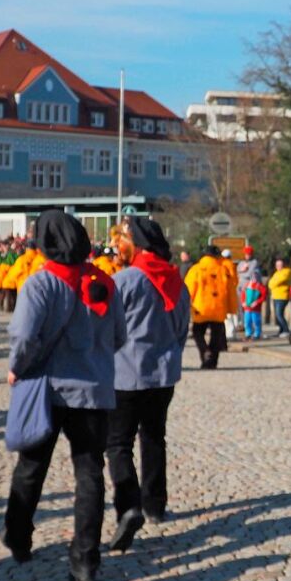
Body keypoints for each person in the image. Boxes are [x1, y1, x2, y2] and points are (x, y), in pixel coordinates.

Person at [3, 210, 125, 581]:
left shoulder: (39, 284)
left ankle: (19, 537)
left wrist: (17, 367)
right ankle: (86, 559)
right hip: (94, 392)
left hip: (49, 390)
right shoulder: (104, 283)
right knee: (89, 473)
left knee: (31, 467)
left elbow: (24, 337)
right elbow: (119, 336)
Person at [107, 218, 190, 549]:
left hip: (126, 374)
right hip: (163, 374)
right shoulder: (176, 281)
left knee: (118, 443)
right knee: (155, 438)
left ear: (138, 245)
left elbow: (108, 328)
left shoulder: (124, 280)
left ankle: (130, 507)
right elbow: (182, 328)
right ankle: (155, 505)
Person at [184, 245, 235, 369]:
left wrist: (185, 305)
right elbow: (232, 288)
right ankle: (213, 362)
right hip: (219, 307)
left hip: (201, 307)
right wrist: (231, 308)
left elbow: (188, 289)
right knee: (216, 335)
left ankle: (205, 351)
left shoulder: (196, 269)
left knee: (197, 332)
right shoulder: (224, 269)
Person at [267, 257, 291, 337]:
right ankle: (281, 330)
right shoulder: (276, 273)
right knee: (277, 315)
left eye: (280, 265)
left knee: (279, 314)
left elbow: (276, 282)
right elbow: (270, 284)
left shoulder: (287, 271)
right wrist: (273, 283)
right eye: (277, 265)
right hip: (275, 296)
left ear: (283, 265)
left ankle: (286, 330)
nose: (278, 266)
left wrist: (274, 283)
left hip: (282, 296)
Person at [220, 249, 241, 341]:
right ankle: (232, 333)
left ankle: (230, 334)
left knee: (227, 315)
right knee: (233, 314)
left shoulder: (223, 265)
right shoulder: (232, 265)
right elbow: (235, 280)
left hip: (225, 292)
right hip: (232, 292)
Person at [241, 270, 266, 340]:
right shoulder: (247, 285)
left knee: (256, 321)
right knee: (247, 321)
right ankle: (248, 334)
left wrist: (256, 302)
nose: (254, 278)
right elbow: (243, 294)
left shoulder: (260, 286)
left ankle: (257, 334)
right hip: (247, 308)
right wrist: (243, 302)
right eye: (253, 277)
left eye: (255, 277)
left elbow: (263, 297)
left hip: (256, 309)